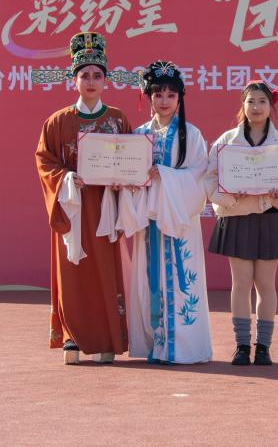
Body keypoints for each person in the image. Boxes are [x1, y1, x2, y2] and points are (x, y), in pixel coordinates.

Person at [35, 32, 133, 365]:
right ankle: (71, 338)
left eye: (97, 75)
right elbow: (45, 161)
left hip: (105, 205)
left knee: (105, 270)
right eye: (85, 75)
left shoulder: (117, 119)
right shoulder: (58, 121)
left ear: (106, 80)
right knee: (72, 270)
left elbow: (131, 159)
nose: (91, 81)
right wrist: (66, 178)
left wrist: (122, 179)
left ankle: (107, 338)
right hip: (73, 206)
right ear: (73, 80)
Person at [204, 82, 278, 366]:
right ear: (243, 105)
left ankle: (263, 346)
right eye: (251, 101)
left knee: (265, 284)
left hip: (269, 216)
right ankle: (241, 345)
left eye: (262, 101)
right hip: (237, 216)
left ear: (271, 106)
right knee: (240, 283)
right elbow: (210, 178)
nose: (256, 107)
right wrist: (229, 195)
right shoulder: (227, 141)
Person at [119, 60, 213, 364]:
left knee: (182, 281)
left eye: (171, 95)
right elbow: (130, 175)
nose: (164, 101)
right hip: (149, 222)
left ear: (180, 98)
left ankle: (183, 348)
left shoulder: (191, 135)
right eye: (158, 94)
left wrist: (165, 175)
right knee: (151, 282)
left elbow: (199, 177)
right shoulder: (139, 135)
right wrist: (130, 182)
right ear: (148, 97)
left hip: (178, 221)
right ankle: (156, 343)